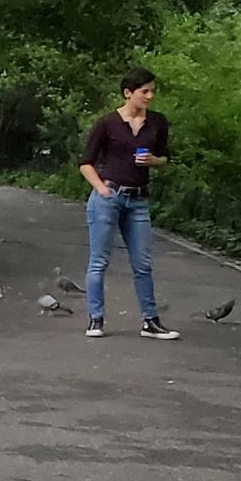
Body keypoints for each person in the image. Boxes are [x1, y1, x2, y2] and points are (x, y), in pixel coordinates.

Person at [77, 68, 180, 340]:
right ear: (128, 93)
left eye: (152, 91)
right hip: (108, 196)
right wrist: (101, 189)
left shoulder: (157, 122)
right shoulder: (107, 123)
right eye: (144, 91)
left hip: (138, 200)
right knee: (99, 261)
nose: (150, 96)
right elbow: (85, 162)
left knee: (143, 263)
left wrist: (153, 162)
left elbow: (166, 158)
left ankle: (150, 322)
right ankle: (95, 319)